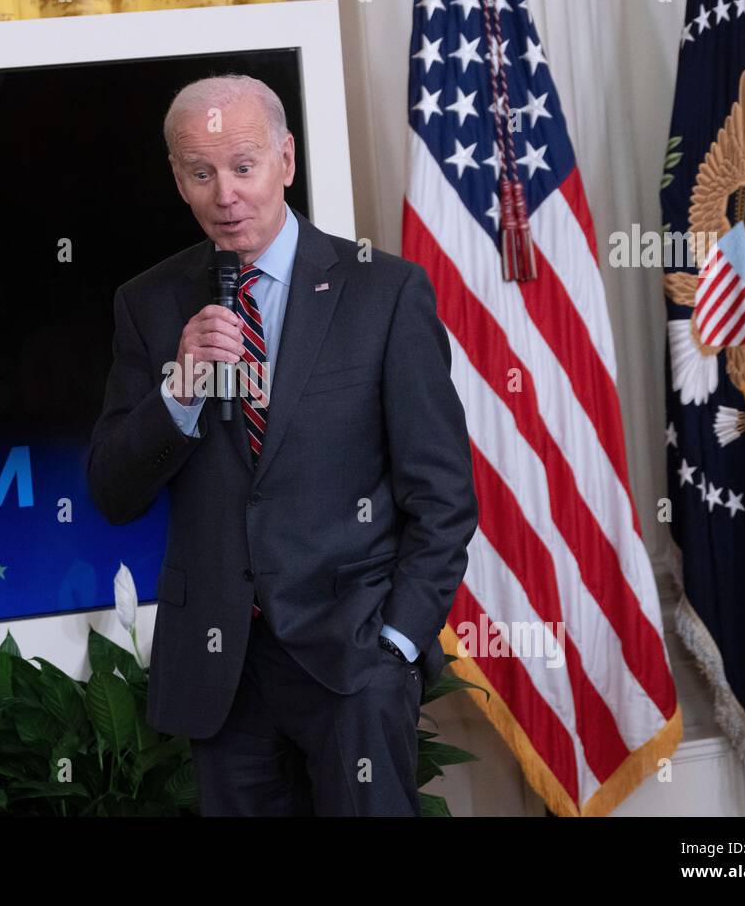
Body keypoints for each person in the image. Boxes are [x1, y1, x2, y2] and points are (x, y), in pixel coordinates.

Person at [87, 73, 477, 815]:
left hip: (353, 662)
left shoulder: (384, 293)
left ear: (286, 160)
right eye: (201, 173)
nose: (225, 194)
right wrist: (181, 389)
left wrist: (395, 644)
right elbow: (112, 490)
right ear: (178, 179)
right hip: (220, 669)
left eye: (243, 166)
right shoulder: (149, 304)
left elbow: (444, 497)